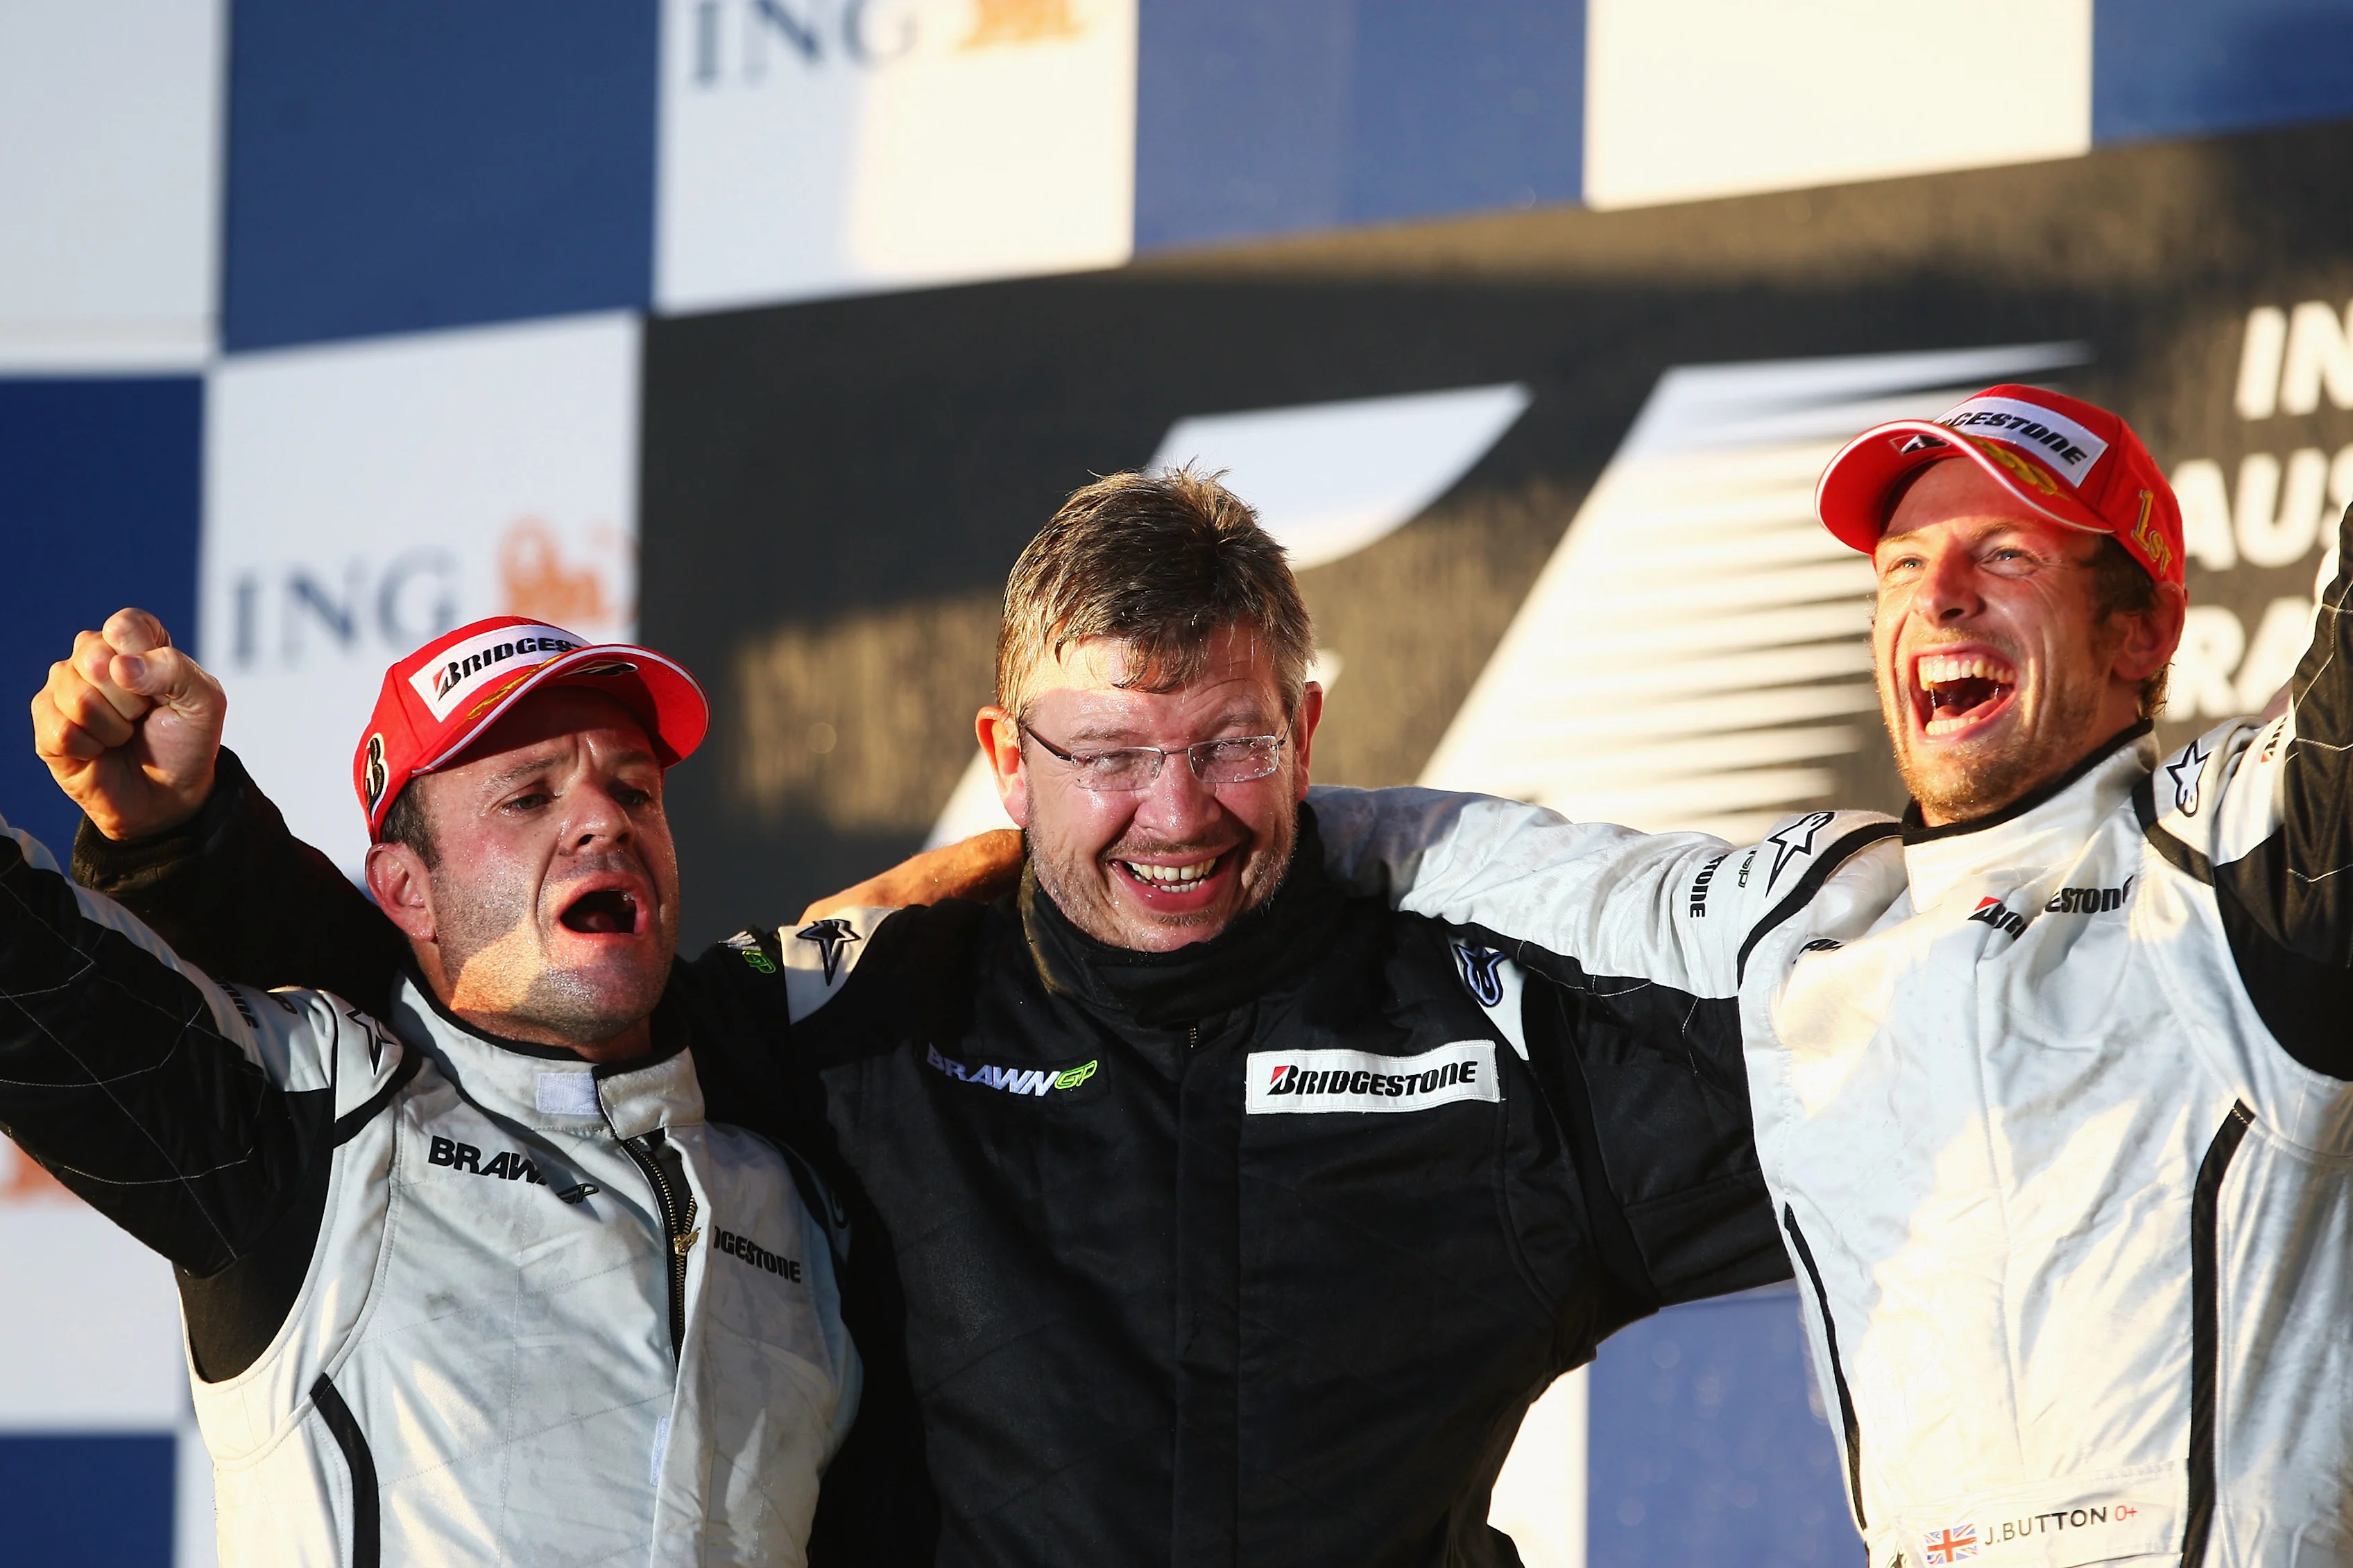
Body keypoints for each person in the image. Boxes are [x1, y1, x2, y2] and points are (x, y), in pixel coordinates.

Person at [48, 472, 1792, 1565]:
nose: (1174, 811)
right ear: (1008, 757)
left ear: (1309, 732)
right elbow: (479, 1013)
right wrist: (194, 852)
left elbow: (1901, 1111)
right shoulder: (854, 1022)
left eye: (1230, 744)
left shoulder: (1490, 1036)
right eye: (1107, 754)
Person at [1292, 385, 2353, 1568]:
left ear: (2142, 632)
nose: (1942, 594)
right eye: (1901, 565)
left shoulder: (2242, 862)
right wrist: (1131, 823)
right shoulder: (1812, 917)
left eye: (2007, 553)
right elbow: (1499, 861)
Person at [12, 615, 859, 1565]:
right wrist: (174, 845)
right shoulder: (319, 1121)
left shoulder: (799, 1202)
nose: (607, 820)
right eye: (529, 797)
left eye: (635, 789)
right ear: (408, 890)